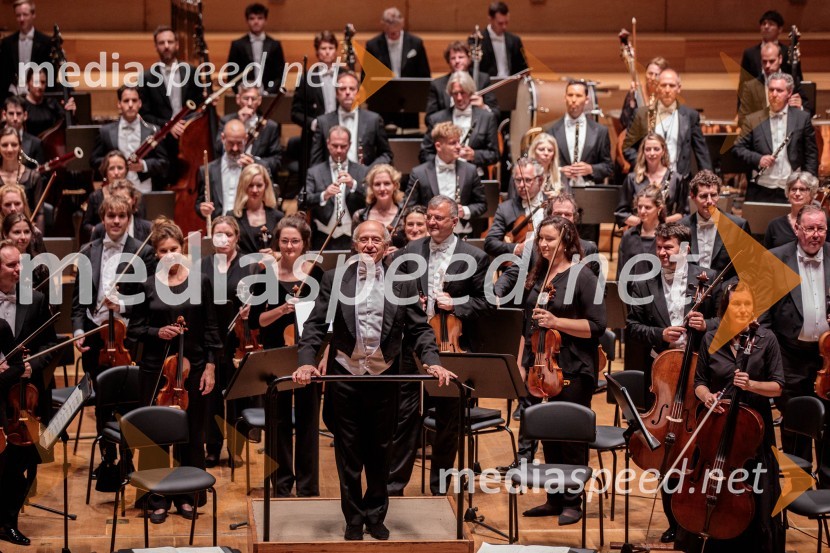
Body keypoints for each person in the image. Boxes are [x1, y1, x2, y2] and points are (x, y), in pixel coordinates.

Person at [293, 220, 454, 541]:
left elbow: (420, 328)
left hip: (384, 378)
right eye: (363, 239)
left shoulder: (403, 281)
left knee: (382, 451)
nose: (369, 244)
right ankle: (353, 518)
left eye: (375, 240)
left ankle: (375, 513)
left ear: (385, 245)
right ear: (355, 244)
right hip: (345, 377)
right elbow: (314, 326)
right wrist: (307, 363)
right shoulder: (334, 278)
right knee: (348, 450)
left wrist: (433, 362)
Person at [390, 195, 490, 496]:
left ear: (454, 221)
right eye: (429, 216)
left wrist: (456, 302)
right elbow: (393, 292)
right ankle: (394, 487)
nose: (431, 222)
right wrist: (410, 301)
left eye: (438, 218)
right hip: (414, 346)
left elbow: (487, 303)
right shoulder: (411, 250)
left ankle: (438, 489)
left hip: (451, 347)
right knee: (405, 417)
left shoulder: (475, 256)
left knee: (448, 422)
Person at [624, 222, 717, 544]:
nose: (662, 253)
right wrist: (659, 334)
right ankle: (674, 517)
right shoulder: (642, 280)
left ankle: (698, 513)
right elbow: (632, 325)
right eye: (659, 247)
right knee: (668, 447)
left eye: (669, 247)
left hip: (700, 373)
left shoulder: (708, 277)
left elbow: (728, 318)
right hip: (661, 372)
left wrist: (706, 323)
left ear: (686, 250)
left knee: (699, 446)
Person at [127, 217, 220, 523]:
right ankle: (156, 496)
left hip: (193, 368)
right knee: (155, 434)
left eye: (174, 248)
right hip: (156, 370)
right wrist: (158, 333)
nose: (170, 254)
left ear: (183, 248)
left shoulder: (201, 281)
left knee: (192, 432)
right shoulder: (146, 284)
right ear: (155, 252)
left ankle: (187, 494)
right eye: (163, 250)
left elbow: (210, 328)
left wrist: (210, 367)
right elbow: (135, 331)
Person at [519, 216, 606, 526]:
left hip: (574, 368)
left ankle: (573, 501)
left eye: (550, 239)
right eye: (541, 238)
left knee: (570, 437)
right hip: (542, 367)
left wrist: (556, 323)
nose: (543, 244)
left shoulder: (583, 276)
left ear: (567, 242)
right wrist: (523, 360)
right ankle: (554, 498)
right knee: (549, 435)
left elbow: (597, 326)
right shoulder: (540, 273)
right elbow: (528, 321)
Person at [693, 283, 785, 553]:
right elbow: (699, 382)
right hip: (718, 427)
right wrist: (706, 396)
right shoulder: (711, 339)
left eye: (747, 304)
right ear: (725, 309)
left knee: (755, 488)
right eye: (736, 305)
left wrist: (751, 385)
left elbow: (778, 386)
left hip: (753, 431)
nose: (742, 309)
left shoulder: (767, 340)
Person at [72, 194, 156, 472]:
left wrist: (122, 304)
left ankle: (128, 459)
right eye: (111, 216)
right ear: (103, 219)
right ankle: (107, 458)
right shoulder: (88, 251)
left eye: (122, 216)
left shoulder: (142, 251)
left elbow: (150, 297)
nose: (116, 221)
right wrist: (79, 329)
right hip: (96, 334)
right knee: (102, 399)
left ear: (129, 218)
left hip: (129, 336)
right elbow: (78, 302)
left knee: (130, 401)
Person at [251, 214, 323, 495]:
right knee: (278, 422)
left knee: (307, 423)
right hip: (276, 354)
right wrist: (283, 308)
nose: (289, 246)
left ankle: (307, 487)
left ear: (305, 244)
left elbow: (325, 319)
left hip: (307, 355)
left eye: (295, 241)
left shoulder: (316, 274)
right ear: (277, 243)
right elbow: (258, 321)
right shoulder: (264, 274)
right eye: (284, 241)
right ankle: (281, 485)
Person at [761, 204, 830, 467]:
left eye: (821, 228)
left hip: (828, 359)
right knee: (794, 427)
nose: (815, 234)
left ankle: (825, 493)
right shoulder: (775, 259)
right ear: (797, 229)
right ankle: (797, 489)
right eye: (810, 228)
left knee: (829, 429)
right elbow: (764, 314)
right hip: (789, 356)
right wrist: (772, 356)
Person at [0, 239, 57, 546]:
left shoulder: (34, 299)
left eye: (20, 263)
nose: (19, 270)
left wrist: (33, 365)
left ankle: (8, 520)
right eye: (12, 265)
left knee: (25, 463)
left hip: (25, 395)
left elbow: (50, 343)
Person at [201, 216, 262, 467]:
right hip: (211, 337)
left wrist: (251, 308)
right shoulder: (203, 265)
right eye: (218, 234)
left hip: (240, 338)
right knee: (211, 395)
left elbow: (262, 300)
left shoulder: (250, 265)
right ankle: (213, 447)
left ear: (236, 237)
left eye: (228, 234)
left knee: (236, 394)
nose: (223, 238)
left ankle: (235, 448)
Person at [732, 72, 818, 203]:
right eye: (771, 90)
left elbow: (811, 153)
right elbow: (738, 148)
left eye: (779, 90)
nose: (774, 94)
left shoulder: (802, 118)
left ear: (789, 93)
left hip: (792, 189)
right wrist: (758, 159)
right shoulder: (753, 119)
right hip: (761, 188)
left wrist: (810, 185)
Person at [623, 69, 712, 181]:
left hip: (680, 181)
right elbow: (627, 148)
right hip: (647, 181)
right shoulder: (641, 114)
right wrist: (644, 163)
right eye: (663, 85)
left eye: (672, 85)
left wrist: (709, 181)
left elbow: (701, 152)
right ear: (657, 87)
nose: (667, 90)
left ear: (679, 88)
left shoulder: (690, 116)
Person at [408, 122, 486, 237]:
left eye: (458, 142)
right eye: (453, 143)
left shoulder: (470, 170)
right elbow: (410, 207)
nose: (459, 146)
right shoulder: (419, 173)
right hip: (430, 236)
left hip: (462, 234)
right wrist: (428, 216)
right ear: (438, 146)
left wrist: (465, 211)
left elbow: (482, 204)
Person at [91, 84, 170, 193]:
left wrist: (143, 165)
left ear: (140, 103)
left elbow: (164, 162)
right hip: (114, 190)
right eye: (126, 101)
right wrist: (114, 163)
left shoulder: (153, 130)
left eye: (134, 100)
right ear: (119, 104)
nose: (130, 104)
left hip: (144, 190)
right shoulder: (105, 131)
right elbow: (94, 161)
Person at [420, 71, 499, 174]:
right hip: (442, 175)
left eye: (463, 92)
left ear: (470, 92)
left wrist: (474, 155)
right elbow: (424, 154)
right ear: (450, 94)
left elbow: (494, 155)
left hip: (476, 176)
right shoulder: (437, 119)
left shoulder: (487, 117)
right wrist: (443, 159)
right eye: (455, 93)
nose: (459, 98)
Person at [310, 71, 393, 168]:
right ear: (336, 94)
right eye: (342, 89)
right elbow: (315, 162)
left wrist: (368, 172)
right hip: (333, 179)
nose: (347, 92)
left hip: (364, 179)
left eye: (352, 89)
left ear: (358, 93)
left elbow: (386, 154)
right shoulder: (323, 122)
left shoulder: (374, 119)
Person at [305, 126, 367, 250]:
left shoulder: (362, 171)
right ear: (328, 144)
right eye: (334, 145)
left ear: (349, 145)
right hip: (323, 237)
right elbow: (303, 200)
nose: (339, 150)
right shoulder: (314, 172)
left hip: (354, 236)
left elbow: (372, 198)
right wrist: (324, 194)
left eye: (343, 146)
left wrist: (354, 184)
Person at [680, 170, 749, 277]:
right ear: (693, 196)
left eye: (713, 195)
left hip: (724, 290)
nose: (709, 201)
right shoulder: (681, 226)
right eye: (703, 196)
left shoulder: (738, 225)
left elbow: (745, 268)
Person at [545, 80, 613, 188]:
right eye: (570, 95)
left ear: (586, 100)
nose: (573, 100)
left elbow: (608, 167)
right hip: (559, 191)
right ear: (564, 97)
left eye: (578, 96)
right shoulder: (550, 130)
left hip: (589, 193)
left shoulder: (600, 131)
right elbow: (542, 165)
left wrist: (591, 169)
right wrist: (559, 171)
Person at [615, 133, 687, 228]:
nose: (652, 153)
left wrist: (661, 221)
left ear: (663, 151)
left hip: (666, 233)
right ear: (643, 152)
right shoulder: (632, 179)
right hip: (639, 232)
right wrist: (643, 221)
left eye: (656, 149)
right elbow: (621, 214)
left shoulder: (676, 179)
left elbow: (683, 213)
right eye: (648, 149)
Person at [485, 158, 547, 259]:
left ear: (540, 180)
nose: (522, 185)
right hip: (517, 266)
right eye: (518, 180)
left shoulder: (553, 205)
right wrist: (517, 248)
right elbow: (490, 243)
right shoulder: (505, 208)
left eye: (527, 180)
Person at [215, 84, 282, 178]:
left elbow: (276, 161)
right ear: (238, 99)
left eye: (253, 99)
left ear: (259, 100)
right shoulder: (226, 122)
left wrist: (255, 163)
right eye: (246, 98)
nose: (249, 103)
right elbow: (218, 149)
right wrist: (239, 123)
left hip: (257, 177)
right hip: (229, 172)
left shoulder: (270, 126)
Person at [738, 42, 807, 124]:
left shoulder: (794, 82)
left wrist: (800, 108)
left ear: (780, 59)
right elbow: (742, 119)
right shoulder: (750, 87)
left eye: (772, 61)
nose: (767, 66)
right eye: (764, 61)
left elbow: (809, 112)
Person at [739, 10, 801, 101]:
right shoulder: (749, 53)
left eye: (771, 24)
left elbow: (797, 80)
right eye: (764, 24)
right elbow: (743, 84)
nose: (766, 26)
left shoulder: (789, 53)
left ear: (780, 29)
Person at [426, 40, 498, 118]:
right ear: (448, 62)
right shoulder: (437, 84)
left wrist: (483, 107)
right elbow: (430, 117)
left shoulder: (483, 79)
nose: (457, 61)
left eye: (461, 57)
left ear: (469, 59)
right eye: (453, 58)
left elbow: (496, 113)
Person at [226, 2, 286, 94]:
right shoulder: (237, 45)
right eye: (252, 18)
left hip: (268, 95)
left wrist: (267, 92)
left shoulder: (275, 45)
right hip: (244, 96)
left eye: (260, 18)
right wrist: (243, 93)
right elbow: (232, 75)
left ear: (266, 20)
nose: (256, 22)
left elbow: (280, 75)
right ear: (247, 21)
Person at [195, 120, 250, 222]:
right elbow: (199, 204)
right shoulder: (207, 170)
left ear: (246, 139)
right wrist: (202, 210)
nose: (235, 148)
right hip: (218, 230)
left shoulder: (254, 167)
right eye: (231, 143)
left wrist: (252, 170)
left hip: (245, 231)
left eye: (239, 143)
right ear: (223, 138)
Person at [229, 163, 284, 256]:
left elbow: (285, 251)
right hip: (242, 268)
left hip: (270, 269)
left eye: (259, 185)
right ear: (243, 186)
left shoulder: (278, 217)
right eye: (250, 185)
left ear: (266, 186)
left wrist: (275, 254)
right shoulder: (232, 217)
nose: (255, 190)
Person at [0, 0, 51, 99]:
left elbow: (48, 74)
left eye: (25, 15)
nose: (21, 19)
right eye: (18, 15)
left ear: (33, 15)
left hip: (37, 96)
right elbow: (3, 74)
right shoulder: (7, 43)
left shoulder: (46, 42)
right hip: (13, 96)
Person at [290, 31, 339, 131]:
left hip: (341, 132)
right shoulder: (307, 79)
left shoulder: (345, 76)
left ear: (335, 51)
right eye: (323, 48)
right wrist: (313, 124)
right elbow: (295, 113)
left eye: (331, 48)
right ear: (317, 52)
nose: (327, 52)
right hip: (315, 135)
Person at [764, 171, 826, 249]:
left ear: (812, 193)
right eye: (793, 189)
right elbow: (766, 257)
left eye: (802, 189)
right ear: (788, 193)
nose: (797, 193)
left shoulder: (823, 224)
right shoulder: (775, 225)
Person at [617, 186, 666, 280]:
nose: (642, 211)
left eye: (648, 207)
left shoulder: (668, 235)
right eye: (639, 207)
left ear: (659, 208)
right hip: (632, 293)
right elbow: (621, 272)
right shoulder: (628, 236)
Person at [0, 127, 42, 216]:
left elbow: (39, 214)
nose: (9, 149)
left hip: (25, 228)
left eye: (14, 145)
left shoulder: (33, 177)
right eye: (4, 145)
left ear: (20, 147)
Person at [22, 67, 76, 137]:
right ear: (28, 83)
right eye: (36, 82)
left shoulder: (52, 104)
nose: (40, 86)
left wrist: (71, 113)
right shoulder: (21, 104)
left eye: (43, 82)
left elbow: (64, 126)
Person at [480, 2, 528, 78]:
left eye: (506, 22)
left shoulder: (515, 40)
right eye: (500, 23)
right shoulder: (478, 40)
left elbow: (523, 68)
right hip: (486, 86)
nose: (504, 27)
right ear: (490, 19)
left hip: (510, 84)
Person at [1, 212, 47, 289]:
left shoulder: (40, 266)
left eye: (26, 232)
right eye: (17, 232)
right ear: (5, 234)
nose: (23, 237)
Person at [620, 57, 668, 130]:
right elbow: (624, 122)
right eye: (650, 73)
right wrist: (632, 99)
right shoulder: (636, 91)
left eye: (657, 75)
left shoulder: (666, 95)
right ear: (645, 73)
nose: (652, 78)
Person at [352, 164, 403, 230]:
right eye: (377, 184)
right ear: (371, 187)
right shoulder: (359, 216)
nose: (382, 189)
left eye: (387, 183)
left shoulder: (404, 215)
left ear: (395, 186)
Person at [2, 96, 45, 164]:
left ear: (25, 115)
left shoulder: (36, 143)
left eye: (18, 114)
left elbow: (41, 174)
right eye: (11, 113)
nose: (15, 118)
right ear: (4, 114)